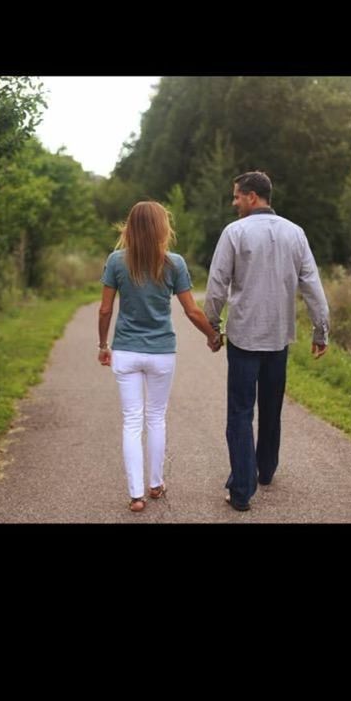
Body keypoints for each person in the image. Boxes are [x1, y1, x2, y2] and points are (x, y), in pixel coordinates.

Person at [204, 171, 329, 512]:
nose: (234, 203)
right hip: (278, 338)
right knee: (271, 408)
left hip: (245, 338)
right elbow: (312, 284)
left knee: (241, 413)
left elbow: (216, 285)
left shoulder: (235, 232)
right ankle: (266, 470)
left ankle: (242, 490)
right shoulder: (295, 233)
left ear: (253, 197)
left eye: (237, 197)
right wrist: (321, 330)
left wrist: (212, 327)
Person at [98, 200, 221, 513]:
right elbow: (191, 310)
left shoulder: (115, 261)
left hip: (126, 351)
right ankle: (155, 485)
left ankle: (135, 495)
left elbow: (105, 309)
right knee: (155, 418)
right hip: (161, 353)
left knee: (131, 421)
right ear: (161, 228)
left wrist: (103, 345)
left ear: (130, 227)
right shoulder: (173, 263)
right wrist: (212, 335)